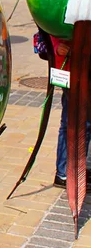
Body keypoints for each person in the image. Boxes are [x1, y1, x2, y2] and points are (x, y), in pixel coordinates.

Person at [35, 29, 91, 187]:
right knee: (79, 123)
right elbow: (47, 24)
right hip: (73, 68)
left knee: (75, 122)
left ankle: (68, 171)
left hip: (79, 64)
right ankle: (68, 172)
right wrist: (58, 46)